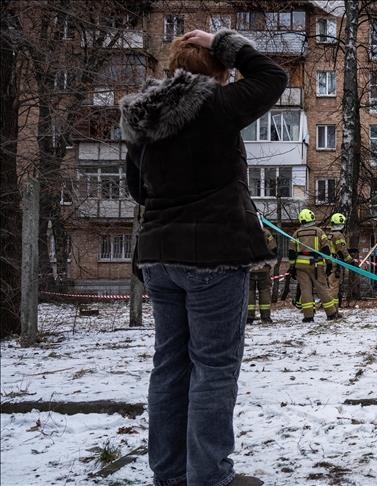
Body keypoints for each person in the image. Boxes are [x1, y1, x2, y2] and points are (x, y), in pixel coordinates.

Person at [121, 28, 286, 486]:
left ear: (173, 69)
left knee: (169, 366)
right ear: (218, 72)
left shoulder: (143, 115)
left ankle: (170, 474)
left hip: (158, 257)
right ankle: (210, 477)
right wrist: (223, 42)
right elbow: (272, 76)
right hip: (214, 256)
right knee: (213, 368)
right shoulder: (216, 105)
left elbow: (137, 190)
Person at [288, 209, 341, 322]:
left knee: (305, 290)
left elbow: (291, 253)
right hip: (316, 265)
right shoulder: (319, 232)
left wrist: (292, 267)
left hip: (300, 266)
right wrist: (329, 263)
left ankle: (308, 316)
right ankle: (331, 313)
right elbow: (326, 249)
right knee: (322, 289)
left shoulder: (296, 234)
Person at [247, 228, 278, 324]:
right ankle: (265, 317)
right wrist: (269, 264)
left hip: (249, 268)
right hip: (264, 268)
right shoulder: (266, 232)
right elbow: (274, 249)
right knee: (265, 291)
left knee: (249, 292)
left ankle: (249, 317)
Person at [326, 212, 354, 305]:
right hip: (335, 264)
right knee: (334, 287)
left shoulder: (329, 235)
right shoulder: (339, 235)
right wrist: (351, 261)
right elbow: (342, 250)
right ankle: (333, 308)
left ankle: (332, 307)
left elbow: (334, 248)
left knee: (330, 285)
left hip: (328, 263)